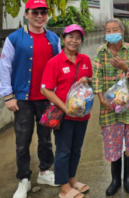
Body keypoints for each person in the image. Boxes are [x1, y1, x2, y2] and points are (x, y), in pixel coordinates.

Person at [0, 0, 61, 198]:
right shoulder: (14, 39)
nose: (39, 16)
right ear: (26, 15)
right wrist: (8, 96)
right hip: (22, 100)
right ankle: (24, 179)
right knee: (22, 141)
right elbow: (5, 67)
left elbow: (59, 68)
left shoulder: (54, 39)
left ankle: (44, 171)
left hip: (46, 99)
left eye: (43, 12)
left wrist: (58, 96)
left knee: (45, 139)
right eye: (35, 12)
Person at [92, 18, 129, 196]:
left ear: (122, 32)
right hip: (109, 106)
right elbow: (97, 76)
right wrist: (101, 98)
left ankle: (127, 179)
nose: (111, 33)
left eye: (115, 29)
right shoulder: (101, 52)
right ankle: (115, 180)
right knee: (113, 143)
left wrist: (126, 67)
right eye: (108, 30)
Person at [41, 24, 93, 198]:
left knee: (76, 149)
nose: (74, 41)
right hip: (64, 115)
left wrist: (88, 81)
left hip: (82, 114)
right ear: (63, 39)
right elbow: (45, 89)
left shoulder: (85, 60)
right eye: (70, 37)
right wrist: (64, 108)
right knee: (63, 150)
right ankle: (63, 187)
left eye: (78, 38)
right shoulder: (54, 62)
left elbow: (91, 82)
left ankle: (72, 179)